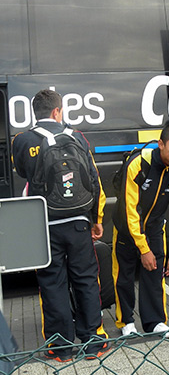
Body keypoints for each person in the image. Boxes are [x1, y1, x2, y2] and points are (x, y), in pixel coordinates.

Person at [12, 89, 108, 362]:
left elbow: (22, 172)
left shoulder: (22, 140)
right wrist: (96, 219)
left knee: (52, 284)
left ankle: (61, 348)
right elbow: (93, 178)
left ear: (36, 113)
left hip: (45, 224)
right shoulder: (77, 136)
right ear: (57, 111)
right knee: (86, 280)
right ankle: (93, 342)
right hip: (79, 222)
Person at [112, 123, 169, 338]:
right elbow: (131, 210)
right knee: (124, 277)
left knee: (155, 275)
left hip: (155, 229)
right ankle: (126, 322)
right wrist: (143, 248)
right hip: (127, 229)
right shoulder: (139, 164)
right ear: (161, 144)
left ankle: (155, 322)